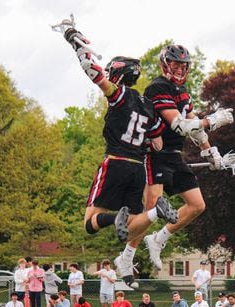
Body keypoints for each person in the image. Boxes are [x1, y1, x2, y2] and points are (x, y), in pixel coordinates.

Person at [62, 26, 179, 289]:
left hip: (115, 162)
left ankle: (115, 218)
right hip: (138, 168)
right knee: (135, 223)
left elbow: (95, 75)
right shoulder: (148, 106)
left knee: (90, 224)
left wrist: (75, 45)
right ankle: (156, 213)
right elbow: (158, 143)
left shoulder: (119, 95)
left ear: (117, 74)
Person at [141, 44, 235, 271]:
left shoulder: (182, 92)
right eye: (175, 64)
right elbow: (179, 125)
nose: (180, 69)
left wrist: (210, 152)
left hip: (173, 155)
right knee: (151, 209)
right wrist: (213, 120)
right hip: (155, 153)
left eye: (183, 65)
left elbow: (195, 127)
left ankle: (158, 239)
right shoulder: (158, 88)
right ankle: (127, 254)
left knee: (197, 205)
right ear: (165, 64)